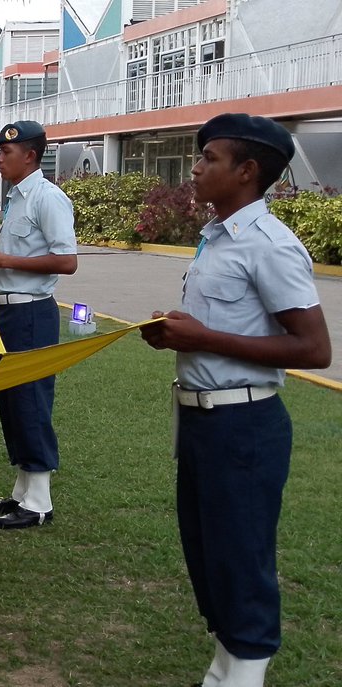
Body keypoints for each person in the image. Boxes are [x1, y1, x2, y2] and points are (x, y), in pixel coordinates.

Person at [140, 114, 331, 687]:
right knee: (209, 549)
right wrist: (177, 329)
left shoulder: (269, 245)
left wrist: (202, 338)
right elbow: (223, 324)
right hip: (200, 419)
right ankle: (225, 666)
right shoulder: (217, 235)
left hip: (243, 422)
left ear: (247, 172)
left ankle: (245, 668)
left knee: (241, 553)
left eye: (209, 159)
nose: (195, 168)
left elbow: (314, 348)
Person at [0, 120, 78, 530]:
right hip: (8, 312)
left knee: (31, 401)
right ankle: (22, 491)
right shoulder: (17, 197)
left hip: (32, 311)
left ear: (30, 155)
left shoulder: (47, 198)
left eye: (6, 152)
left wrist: (3, 261)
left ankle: (38, 503)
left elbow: (66, 261)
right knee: (12, 401)